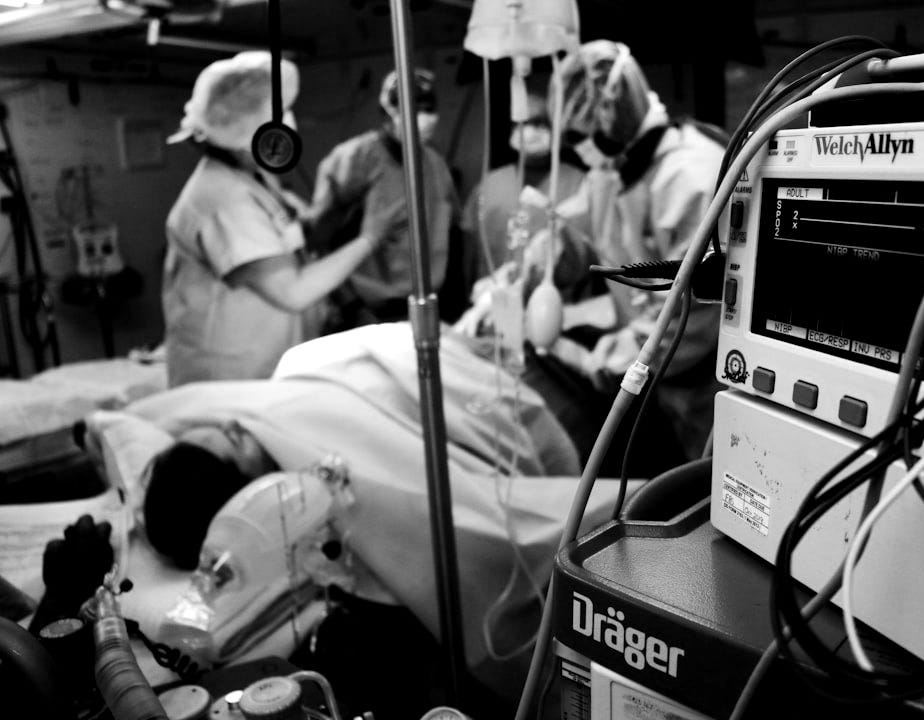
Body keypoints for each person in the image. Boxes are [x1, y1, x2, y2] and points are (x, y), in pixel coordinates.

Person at [82, 322, 630, 703]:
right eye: (223, 436)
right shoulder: (322, 468)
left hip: (431, 355)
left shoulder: (239, 416)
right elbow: (471, 526)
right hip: (518, 386)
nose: (227, 420)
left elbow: (134, 419)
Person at [524, 40, 727, 464]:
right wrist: (551, 253)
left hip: (701, 385)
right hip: (661, 383)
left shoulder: (690, 179)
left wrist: (588, 358)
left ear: (609, 119)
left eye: (578, 135)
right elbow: (598, 245)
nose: (577, 148)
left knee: (711, 490)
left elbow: (680, 324)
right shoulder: (612, 173)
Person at [162, 51, 398, 387]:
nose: (287, 124)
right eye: (276, 116)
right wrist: (371, 237)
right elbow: (293, 291)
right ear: (246, 131)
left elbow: (292, 240)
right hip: (230, 379)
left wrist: (341, 203)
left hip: (268, 365)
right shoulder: (222, 201)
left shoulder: (255, 182)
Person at [304, 69, 461, 328]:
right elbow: (320, 240)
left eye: (429, 108)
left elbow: (452, 232)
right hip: (367, 311)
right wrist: (351, 306)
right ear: (389, 111)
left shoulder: (435, 165)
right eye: (415, 108)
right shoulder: (355, 159)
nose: (425, 117)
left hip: (425, 307)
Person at [459, 88, 587, 288]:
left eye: (539, 123)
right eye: (522, 124)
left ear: (555, 128)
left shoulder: (578, 182)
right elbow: (469, 250)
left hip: (564, 303)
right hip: (497, 300)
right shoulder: (489, 185)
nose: (529, 132)